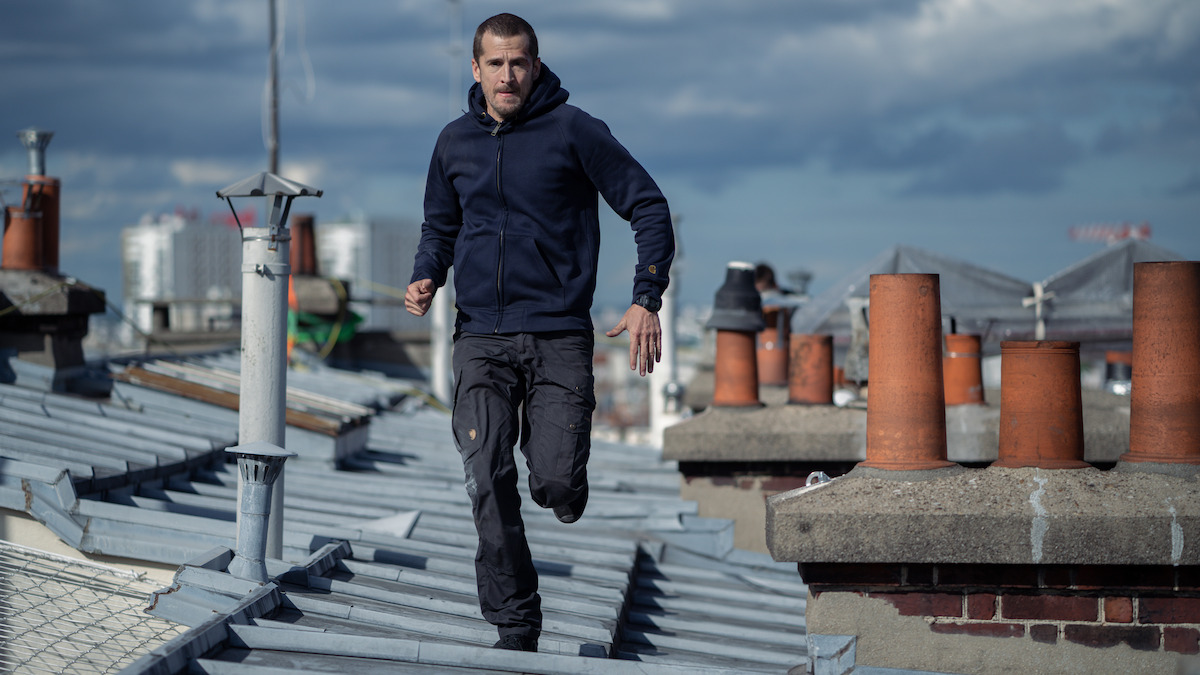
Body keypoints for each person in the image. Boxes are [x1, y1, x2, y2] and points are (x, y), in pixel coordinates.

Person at [404, 13, 673, 653]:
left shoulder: (574, 131)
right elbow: (439, 228)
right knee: (487, 473)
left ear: (536, 65)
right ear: (475, 69)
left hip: (557, 333)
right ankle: (516, 624)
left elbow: (647, 204)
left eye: (518, 63)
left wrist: (646, 297)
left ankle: (564, 483)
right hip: (480, 336)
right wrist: (425, 276)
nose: (507, 75)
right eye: (494, 64)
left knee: (551, 482)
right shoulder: (452, 143)